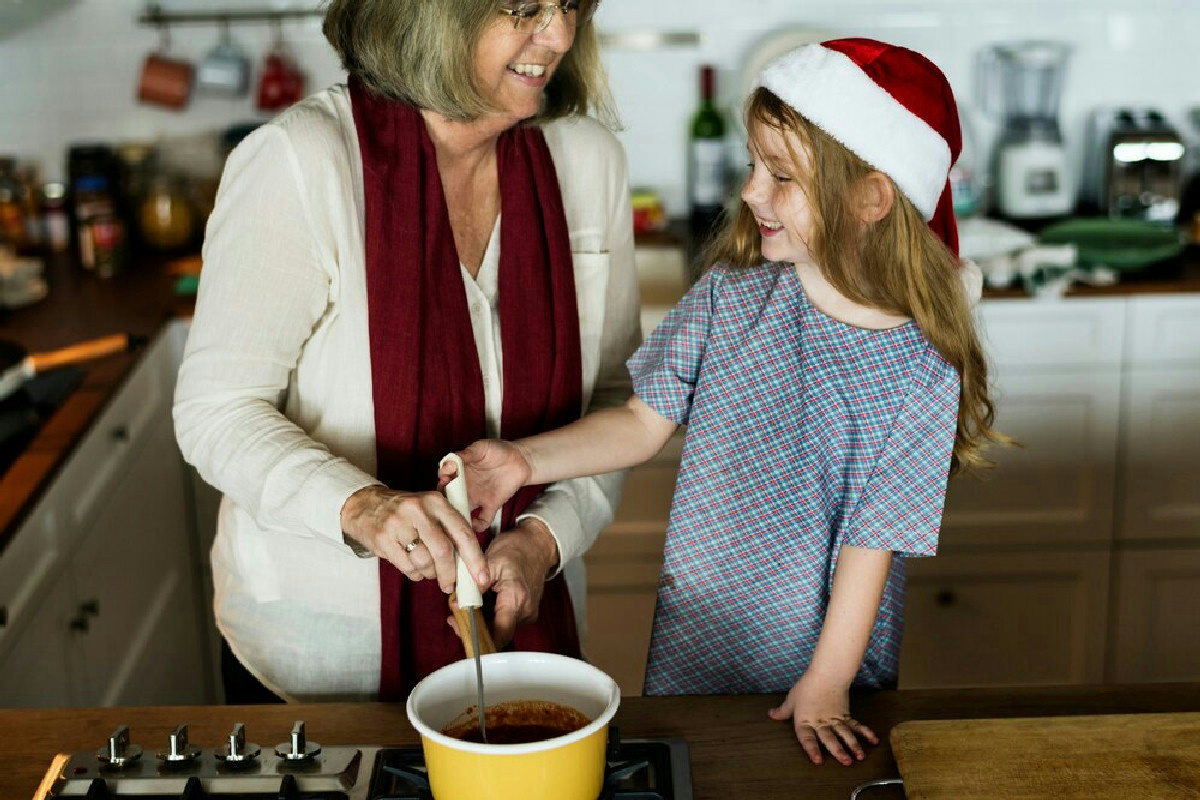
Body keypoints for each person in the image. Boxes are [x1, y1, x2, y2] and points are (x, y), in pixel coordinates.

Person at [444, 39, 1004, 766]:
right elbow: (640, 425)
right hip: (698, 634)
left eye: (781, 176)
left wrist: (828, 680)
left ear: (871, 198)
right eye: (753, 166)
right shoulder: (730, 297)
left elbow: (871, 545)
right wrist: (521, 462)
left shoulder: (920, 371)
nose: (751, 193)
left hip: (823, 667)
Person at [173, 0, 640, 704]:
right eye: (525, 7)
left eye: (571, 3)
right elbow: (217, 411)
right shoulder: (301, 162)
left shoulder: (587, 161)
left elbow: (617, 401)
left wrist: (544, 538)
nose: (561, 35)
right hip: (322, 660)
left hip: (528, 636)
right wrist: (362, 505)